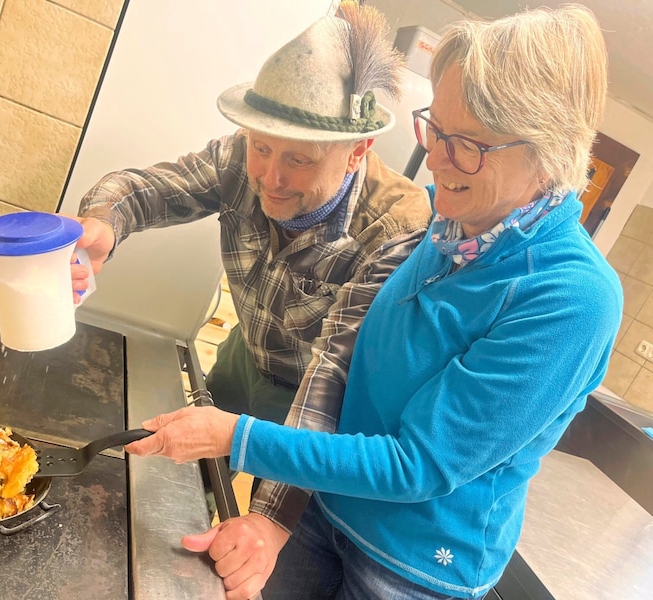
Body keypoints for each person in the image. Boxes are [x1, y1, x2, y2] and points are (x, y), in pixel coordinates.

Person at [124, 5, 623, 600]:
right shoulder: (442, 219)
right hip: (323, 508)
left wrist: (238, 438)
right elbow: (336, 361)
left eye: (464, 145)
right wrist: (276, 513)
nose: (435, 161)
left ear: (547, 151)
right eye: (433, 129)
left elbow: (419, 465)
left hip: (410, 562)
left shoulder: (571, 298)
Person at [73, 4, 430, 504]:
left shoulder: (392, 229)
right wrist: (103, 224)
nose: (271, 178)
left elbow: (333, 379)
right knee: (183, 486)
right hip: (246, 354)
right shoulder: (242, 160)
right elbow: (149, 189)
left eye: (298, 160)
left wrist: (266, 522)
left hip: (313, 396)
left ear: (358, 150)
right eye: (261, 148)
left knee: (270, 513)